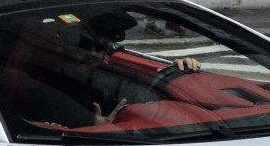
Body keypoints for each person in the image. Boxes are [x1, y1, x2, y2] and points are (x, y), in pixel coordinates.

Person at [17, 13, 201, 128]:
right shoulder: (44, 88)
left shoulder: (105, 77)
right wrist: (94, 126)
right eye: (84, 47)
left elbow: (140, 95)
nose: (93, 54)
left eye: (101, 48)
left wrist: (177, 71)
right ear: (63, 48)